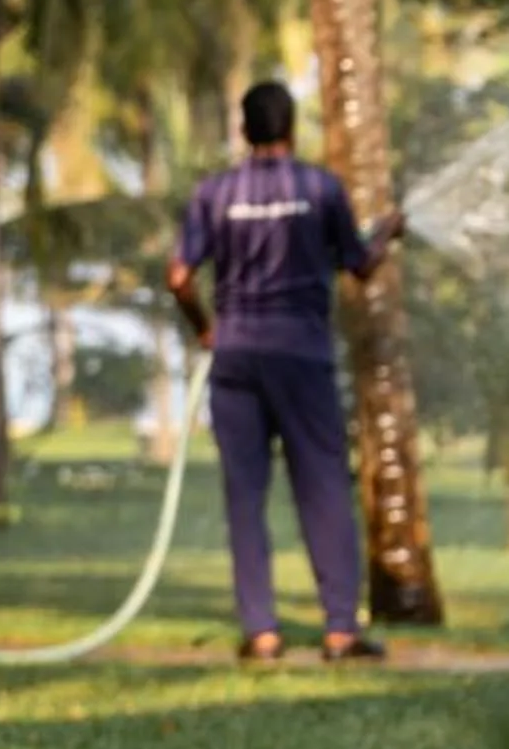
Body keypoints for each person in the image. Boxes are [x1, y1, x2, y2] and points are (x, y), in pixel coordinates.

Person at [167, 81, 403, 665]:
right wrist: (386, 231)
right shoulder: (320, 188)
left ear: (244, 130)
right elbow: (360, 264)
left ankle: (262, 633)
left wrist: (205, 328)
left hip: (236, 358)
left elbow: (178, 277)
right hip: (302, 354)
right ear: (292, 128)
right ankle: (340, 631)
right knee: (323, 488)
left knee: (245, 496)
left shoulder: (214, 194)